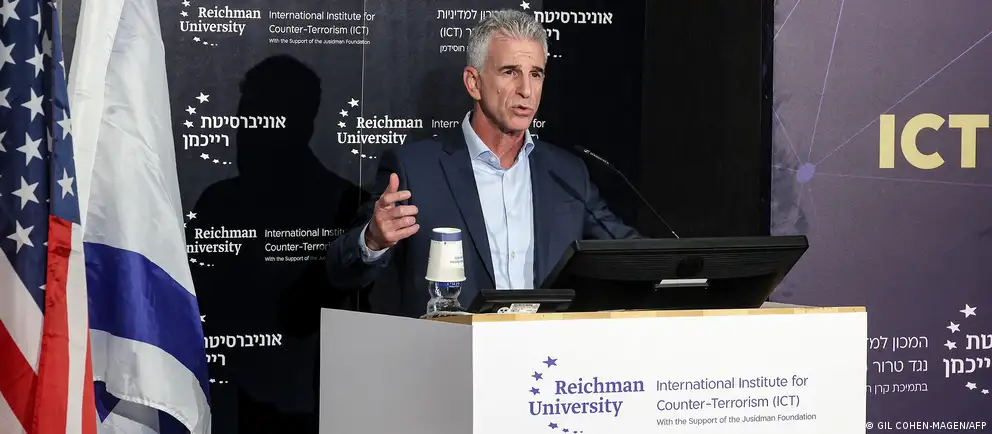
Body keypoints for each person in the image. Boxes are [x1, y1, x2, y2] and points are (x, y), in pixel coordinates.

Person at [325, 9, 640, 318]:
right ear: (473, 82)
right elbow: (341, 273)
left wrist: (670, 267)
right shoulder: (415, 170)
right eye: (510, 72)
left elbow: (630, 254)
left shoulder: (567, 173)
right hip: (450, 348)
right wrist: (373, 240)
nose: (526, 90)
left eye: (536, 74)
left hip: (544, 348)